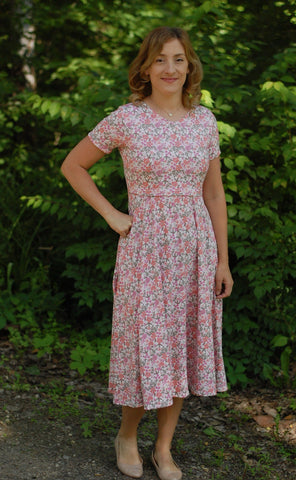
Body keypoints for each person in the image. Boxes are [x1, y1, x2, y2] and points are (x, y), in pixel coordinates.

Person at [61, 26, 233, 480]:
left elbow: (214, 195)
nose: (170, 68)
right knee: (147, 346)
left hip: (196, 249)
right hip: (146, 250)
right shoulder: (127, 119)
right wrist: (112, 213)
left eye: (178, 59)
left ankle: (164, 449)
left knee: (181, 347)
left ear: (190, 66)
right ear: (145, 68)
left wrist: (222, 260)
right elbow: (73, 166)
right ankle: (126, 434)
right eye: (160, 60)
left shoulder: (205, 122)